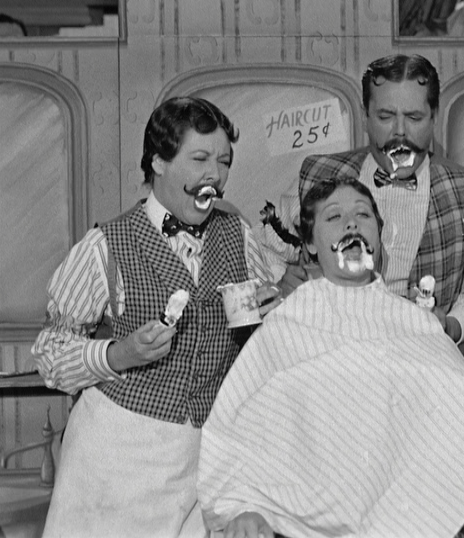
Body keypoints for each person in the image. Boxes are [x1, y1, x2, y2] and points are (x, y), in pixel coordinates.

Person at [199, 177, 464, 538]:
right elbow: (236, 431)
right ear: (310, 244)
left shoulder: (414, 322)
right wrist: (242, 509)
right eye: (334, 217)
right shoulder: (284, 328)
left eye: (362, 215)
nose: (351, 224)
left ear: (378, 236)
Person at [31, 96, 280, 538]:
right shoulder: (105, 245)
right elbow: (50, 355)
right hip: (117, 460)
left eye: (224, 161)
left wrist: (270, 321)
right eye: (200, 159)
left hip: (207, 456)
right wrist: (119, 354)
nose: (215, 175)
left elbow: (262, 347)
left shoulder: (238, 235)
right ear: (158, 162)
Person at [257, 53, 464, 345]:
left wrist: (451, 326)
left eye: (414, 117)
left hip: (422, 357)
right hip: (327, 349)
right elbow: (263, 251)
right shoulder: (317, 176)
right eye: (385, 117)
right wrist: (281, 283)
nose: (400, 132)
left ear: (434, 117)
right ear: (365, 117)